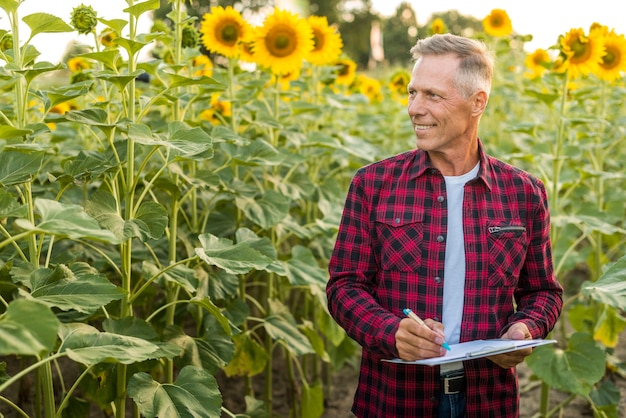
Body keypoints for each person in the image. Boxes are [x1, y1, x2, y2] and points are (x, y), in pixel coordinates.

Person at [326, 33, 563, 418]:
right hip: (395, 399)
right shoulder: (374, 184)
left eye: (432, 95)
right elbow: (344, 287)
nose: (414, 108)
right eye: (412, 93)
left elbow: (543, 292)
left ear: (477, 103)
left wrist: (525, 330)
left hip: (487, 399)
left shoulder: (523, 193)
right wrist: (391, 332)